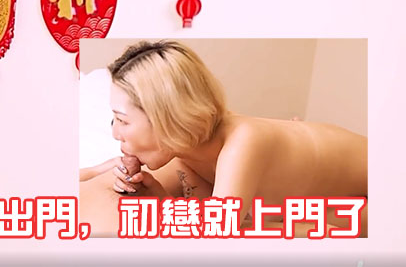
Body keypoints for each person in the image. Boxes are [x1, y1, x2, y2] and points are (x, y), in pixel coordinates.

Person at [79, 40, 367, 237]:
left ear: (167, 118)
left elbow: (217, 234)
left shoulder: (244, 141)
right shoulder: (193, 154)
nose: (115, 133)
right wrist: (160, 197)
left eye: (122, 120)